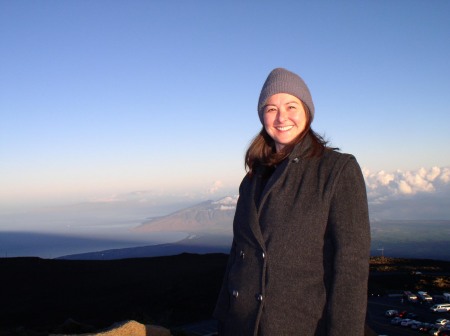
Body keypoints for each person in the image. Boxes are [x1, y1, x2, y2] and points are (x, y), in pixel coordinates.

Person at [213, 68, 371, 335]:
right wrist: (223, 316)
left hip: (300, 325)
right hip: (240, 325)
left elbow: (351, 265)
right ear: (262, 115)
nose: (281, 117)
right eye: (271, 108)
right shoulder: (253, 176)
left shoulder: (337, 170)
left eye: (291, 106)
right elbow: (238, 255)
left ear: (307, 111)